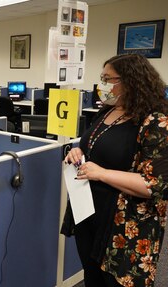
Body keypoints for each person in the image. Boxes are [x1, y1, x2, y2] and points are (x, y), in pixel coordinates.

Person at [63, 53, 168, 287]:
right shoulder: (108, 111)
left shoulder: (155, 122)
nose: (103, 85)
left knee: (115, 282)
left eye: (108, 79)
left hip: (125, 224)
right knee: (92, 277)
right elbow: (92, 145)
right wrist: (78, 152)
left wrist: (100, 173)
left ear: (131, 81)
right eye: (102, 78)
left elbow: (155, 185)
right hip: (89, 213)